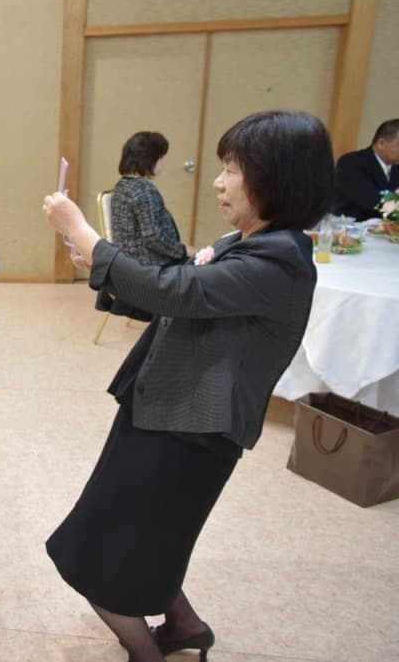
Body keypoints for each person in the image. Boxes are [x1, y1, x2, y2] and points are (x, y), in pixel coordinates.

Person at [42, 110, 334, 662]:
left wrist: (81, 230)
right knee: (150, 536)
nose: (220, 182)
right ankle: (185, 628)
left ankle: (147, 654)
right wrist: (99, 266)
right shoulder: (254, 242)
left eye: (234, 169)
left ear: (279, 178)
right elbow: (179, 297)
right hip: (166, 408)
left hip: (192, 427)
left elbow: (177, 293)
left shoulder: (279, 262)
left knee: (99, 552)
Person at [101, 131, 193, 321]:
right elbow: (153, 238)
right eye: (161, 158)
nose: (163, 164)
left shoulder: (122, 186)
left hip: (127, 261)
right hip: (149, 267)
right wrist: (184, 251)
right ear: (149, 160)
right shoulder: (144, 191)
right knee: (199, 268)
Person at [332, 118, 399, 220]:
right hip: (351, 227)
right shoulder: (351, 162)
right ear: (381, 143)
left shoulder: (396, 167)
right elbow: (370, 199)